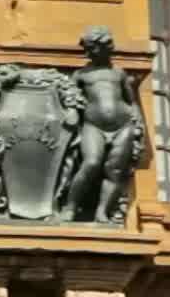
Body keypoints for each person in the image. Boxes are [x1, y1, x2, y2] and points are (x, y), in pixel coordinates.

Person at [59, 26, 145, 224]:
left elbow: (131, 101)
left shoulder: (119, 73)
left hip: (123, 126)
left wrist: (138, 123)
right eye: (89, 49)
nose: (91, 53)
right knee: (91, 163)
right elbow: (70, 96)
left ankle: (102, 211)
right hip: (93, 126)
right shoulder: (81, 74)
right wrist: (71, 110)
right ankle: (70, 208)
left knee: (114, 170)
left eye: (95, 48)